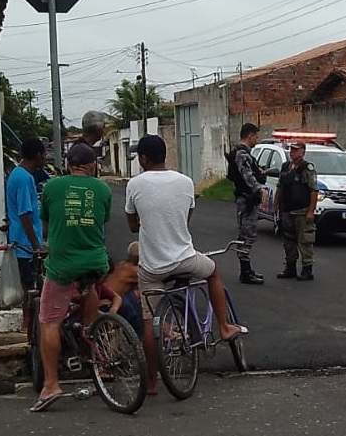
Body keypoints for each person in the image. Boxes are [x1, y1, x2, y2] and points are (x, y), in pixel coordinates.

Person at [126, 134, 247, 396]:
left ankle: (152, 383)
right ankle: (225, 328)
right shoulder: (185, 181)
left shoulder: (134, 184)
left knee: (150, 321)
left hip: (153, 267)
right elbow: (186, 217)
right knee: (213, 271)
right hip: (184, 259)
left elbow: (133, 225)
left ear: (144, 158)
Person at [32, 142, 112, 412]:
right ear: (92, 166)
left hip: (63, 265)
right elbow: (102, 221)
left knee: (49, 321)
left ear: (68, 164)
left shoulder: (52, 187)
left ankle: (51, 384)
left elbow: (46, 223)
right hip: (96, 262)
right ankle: (93, 343)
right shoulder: (102, 188)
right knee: (90, 288)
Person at [5, 137, 48, 341]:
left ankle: (29, 327)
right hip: (25, 245)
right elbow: (24, 214)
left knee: (29, 287)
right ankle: (28, 328)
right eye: (44, 154)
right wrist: (36, 245)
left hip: (21, 239)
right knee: (30, 288)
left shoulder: (17, 174)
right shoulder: (24, 178)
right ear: (38, 155)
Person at [226, 122, 268, 285]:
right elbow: (247, 175)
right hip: (247, 200)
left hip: (247, 199)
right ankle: (245, 271)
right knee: (246, 234)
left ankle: (247, 269)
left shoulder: (243, 154)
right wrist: (259, 189)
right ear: (250, 135)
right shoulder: (242, 154)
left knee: (248, 234)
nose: (257, 139)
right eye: (256, 136)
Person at [274, 140, 320, 282]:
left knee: (305, 240)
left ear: (303, 152)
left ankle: (307, 269)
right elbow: (280, 187)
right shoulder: (285, 167)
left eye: (295, 149)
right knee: (288, 241)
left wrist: (311, 211)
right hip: (288, 211)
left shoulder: (307, 169)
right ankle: (290, 267)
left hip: (302, 211)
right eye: (291, 149)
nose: (292, 152)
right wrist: (275, 206)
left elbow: (313, 191)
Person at [104, 241, 142, 338]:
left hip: (111, 298)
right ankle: (140, 336)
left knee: (138, 293)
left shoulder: (122, 265)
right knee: (148, 294)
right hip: (109, 304)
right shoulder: (134, 271)